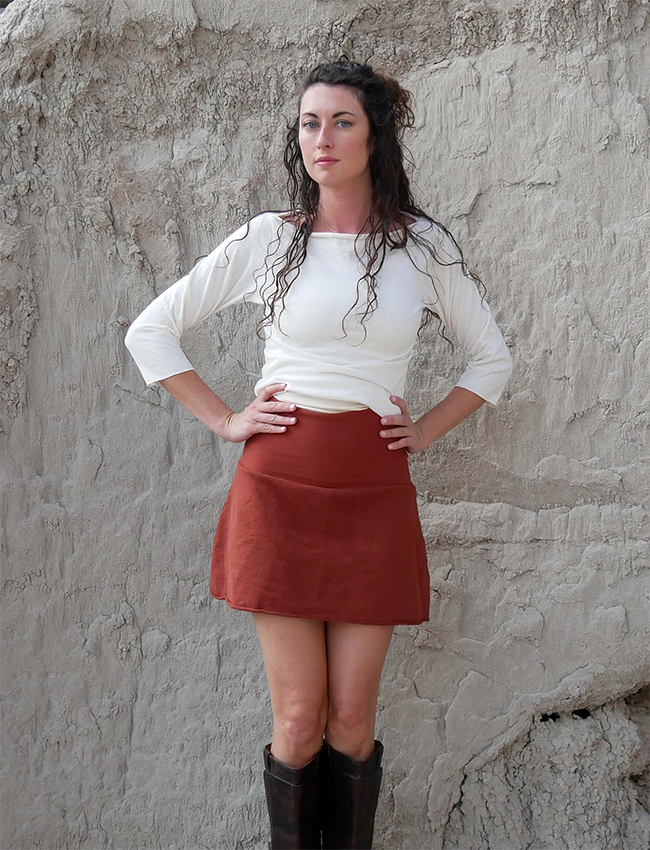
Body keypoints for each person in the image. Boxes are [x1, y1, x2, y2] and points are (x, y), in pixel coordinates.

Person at [124, 56, 513, 850]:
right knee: (299, 720)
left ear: (375, 136)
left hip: (374, 498)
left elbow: (491, 361)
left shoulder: (421, 247)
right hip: (279, 491)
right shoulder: (271, 239)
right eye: (310, 123)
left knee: (353, 722)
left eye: (341, 122)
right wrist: (226, 418)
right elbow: (150, 331)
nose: (322, 138)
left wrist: (424, 430)